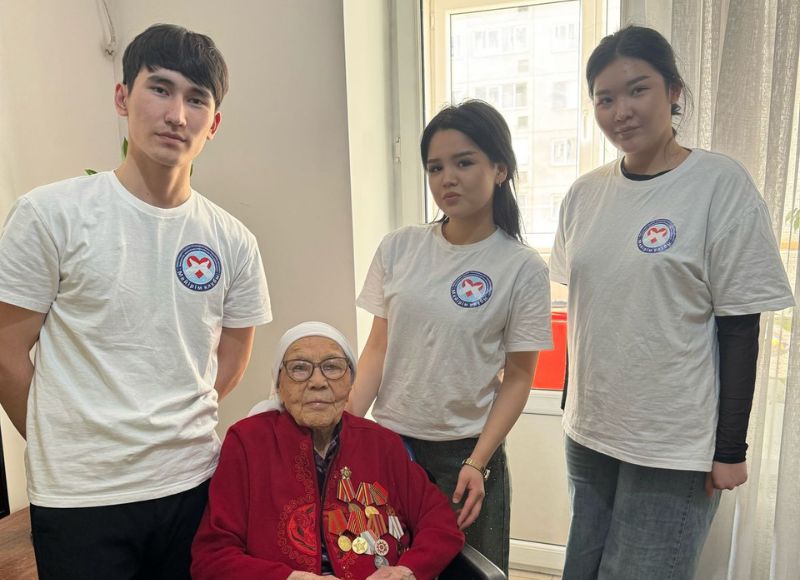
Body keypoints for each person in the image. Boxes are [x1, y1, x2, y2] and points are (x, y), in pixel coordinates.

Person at [0, 24, 271, 579]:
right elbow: (5, 351)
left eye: (196, 99)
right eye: (160, 89)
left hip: (193, 484)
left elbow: (233, 356)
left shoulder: (234, 240)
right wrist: (63, 439)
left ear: (214, 124)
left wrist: (169, 426)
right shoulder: (50, 215)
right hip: (82, 497)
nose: (176, 115)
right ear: (123, 97)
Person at [550, 25, 795, 580]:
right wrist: (571, 406)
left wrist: (730, 448)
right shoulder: (584, 195)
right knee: (581, 569)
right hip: (590, 433)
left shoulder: (718, 184)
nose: (621, 111)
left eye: (638, 90)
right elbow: (589, 310)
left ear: (674, 91)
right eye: (605, 99)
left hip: (672, 442)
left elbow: (739, 326)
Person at [347, 100, 553, 574]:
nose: (447, 179)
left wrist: (478, 462)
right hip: (392, 447)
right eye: (435, 167)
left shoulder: (521, 267)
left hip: (466, 457)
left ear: (500, 168)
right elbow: (378, 348)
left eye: (464, 162)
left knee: (467, 572)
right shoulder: (399, 247)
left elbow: (519, 377)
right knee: (385, 566)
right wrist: (344, 431)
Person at [191, 321, 463, 580]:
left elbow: (440, 522)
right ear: (279, 384)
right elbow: (212, 556)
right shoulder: (248, 443)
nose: (318, 381)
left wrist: (407, 570)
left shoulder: (381, 444)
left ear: (350, 382)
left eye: (332, 367)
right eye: (299, 368)